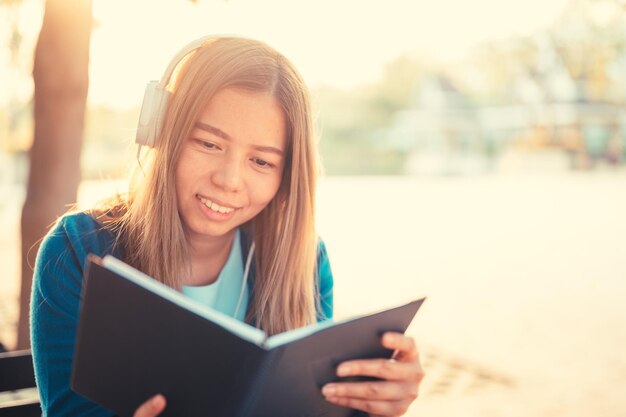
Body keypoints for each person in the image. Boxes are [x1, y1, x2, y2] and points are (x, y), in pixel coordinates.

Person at [30, 36, 424, 417]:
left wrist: (372, 408)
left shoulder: (304, 260)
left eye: (262, 162)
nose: (230, 180)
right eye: (208, 144)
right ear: (161, 130)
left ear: (286, 176)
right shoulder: (76, 250)